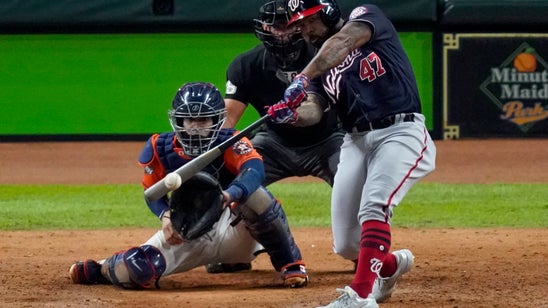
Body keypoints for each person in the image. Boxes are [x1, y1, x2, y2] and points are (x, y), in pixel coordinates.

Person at [266, 1, 436, 307]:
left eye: (307, 21)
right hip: (355, 140)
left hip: (400, 130)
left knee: (374, 207)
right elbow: (315, 110)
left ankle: (359, 297)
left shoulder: (364, 18)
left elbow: (343, 41)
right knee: (346, 244)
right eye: (299, 25)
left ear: (328, 12)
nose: (303, 30)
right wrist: (292, 114)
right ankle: (388, 266)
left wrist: (301, 77)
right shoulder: (319, 63)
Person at [68, 82, 309, 290]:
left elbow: (254, 171)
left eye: (203, 119)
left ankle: (290, 263)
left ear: (217, 120)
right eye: (189, 119)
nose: (194, 126)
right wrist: (164, 216)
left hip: (236, 228)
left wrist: (230, 194)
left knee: (256, 196)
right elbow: (152, 193)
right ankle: (103, 268)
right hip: (188, 232)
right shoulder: (160, 148)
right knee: (137, 269)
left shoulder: (231, 141)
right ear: (178, 120)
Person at [207, 0, 345, 274]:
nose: (281, 33)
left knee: (354, 182)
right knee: (230, 177)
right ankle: (237, 251)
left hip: (329, 140)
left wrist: (295, 113)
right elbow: (228, 122)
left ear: (300, 24)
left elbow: (325, 106)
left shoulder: (324, 55)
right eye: (275, 26)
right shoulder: (245, 65)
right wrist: (206, 155)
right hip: (274, 143)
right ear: (263, 28)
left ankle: (361, 248)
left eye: (288, 25)